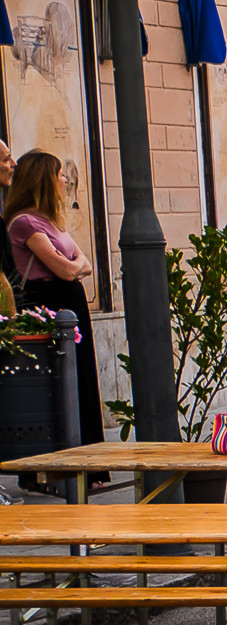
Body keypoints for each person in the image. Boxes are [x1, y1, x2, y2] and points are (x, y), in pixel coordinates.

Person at [5, 151, 105, 451]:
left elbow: (85, 263)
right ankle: (62, 460)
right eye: (59, 173)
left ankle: (90, 461)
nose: (64, 179)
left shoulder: (50, 221)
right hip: (47, 303)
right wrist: (73, 268)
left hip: (69, 300)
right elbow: (65, 267)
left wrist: (73, 268)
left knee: (82, 375)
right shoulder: (24, 222)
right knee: (59, 380)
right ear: (45, 180)